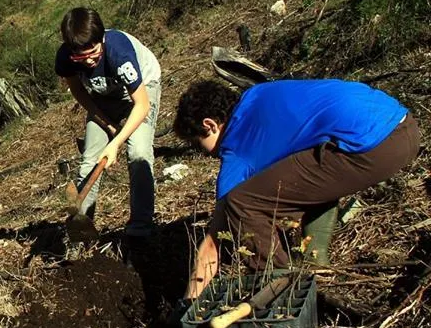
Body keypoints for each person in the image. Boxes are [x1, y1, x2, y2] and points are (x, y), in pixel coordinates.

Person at [174, 79, 419, 300]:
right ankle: (315, 261)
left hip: (376, 147)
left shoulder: (237, 147)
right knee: (300, 172)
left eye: (198, 143)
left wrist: (190, 302)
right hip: (404, 125)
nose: (206, 153)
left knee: (241, 202)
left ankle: (279, 285)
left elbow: (213, 241)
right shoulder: (258, 94)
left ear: (210, 125)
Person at [55, 7, 162, 237]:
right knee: (89, 160)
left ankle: (141, 228)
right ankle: (81, 229)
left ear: (101, 39)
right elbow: (79, 91)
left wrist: (115, 143)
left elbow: (142, 105)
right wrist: (106, 123)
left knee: (139, 153)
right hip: (103, 96)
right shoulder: (66, 58)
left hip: (141, 89)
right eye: (81, 57)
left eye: (93, 52)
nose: (89, 60)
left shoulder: (118, 53)